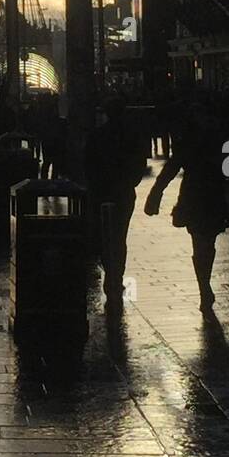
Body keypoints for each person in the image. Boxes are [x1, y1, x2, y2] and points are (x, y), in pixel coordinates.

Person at [144, 103, 228, 315]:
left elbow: (173, 166)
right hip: (212, 193)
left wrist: (156, 192)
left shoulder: (191, 138)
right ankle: (204, 284)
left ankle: (203, 284)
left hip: (195, 193)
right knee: (206, 241)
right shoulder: (217, 136)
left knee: (201, 242)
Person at [86, 97, 147, 307]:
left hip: (102, 192)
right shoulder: (131, 136)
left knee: (104, 235)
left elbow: (88, 166)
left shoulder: (97, 136)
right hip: (123, 192)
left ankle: (111, 273)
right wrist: (131, 181)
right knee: (120, 235)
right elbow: (140, 163)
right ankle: (116, 277)